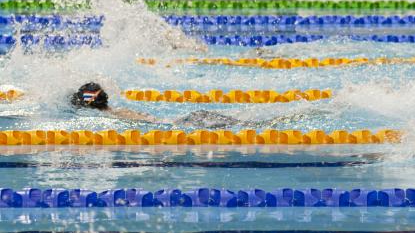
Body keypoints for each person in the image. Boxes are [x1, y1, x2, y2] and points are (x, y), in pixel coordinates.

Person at [70, 82, 313, 129]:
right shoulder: (117, 111)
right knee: (251, 122)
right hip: (189, 119)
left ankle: (293, 117)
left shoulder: (111, 119)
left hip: (188, 124)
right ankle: (294, 115)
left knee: (256, 124)